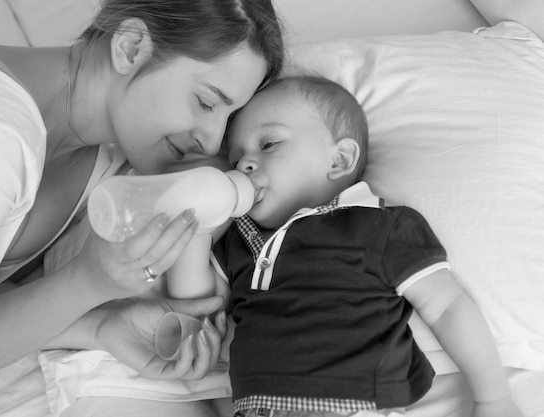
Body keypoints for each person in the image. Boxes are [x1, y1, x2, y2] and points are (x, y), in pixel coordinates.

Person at [0, 0, 284, 395]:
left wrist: (101, 324)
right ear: (130, 47)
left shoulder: (109, 152)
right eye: (206, 102)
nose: (212, 138)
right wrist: (88, 282)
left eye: (229, 117)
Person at [211, 75, 523, 417]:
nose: (244, 164)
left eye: (268, 144)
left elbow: (447, 308)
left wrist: (493, 398)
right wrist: (203, 226)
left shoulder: (377, 226)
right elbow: (204, 311)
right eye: (235, 157)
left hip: (351, 404)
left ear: (339, 160)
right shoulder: (237, 239)